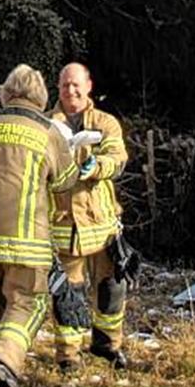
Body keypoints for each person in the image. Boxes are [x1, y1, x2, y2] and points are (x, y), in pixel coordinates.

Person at [0, 64, 77, 387]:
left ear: (6, 93)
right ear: (41, 96)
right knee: (27, 303)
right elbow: (65, 181)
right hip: (26, 239)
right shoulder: (47, 131)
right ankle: (6, 361)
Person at [49, 62, 130, 371]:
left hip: (102, 225)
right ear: (58, 88)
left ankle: (108, 344)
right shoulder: (47, 125)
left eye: (76, 84)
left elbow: (117, 157)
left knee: (111, 287)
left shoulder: (105, 122)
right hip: (64, 225)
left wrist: (97, 167)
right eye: (65, 85)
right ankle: (68, 355)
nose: (71, 90)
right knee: (67, 295)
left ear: (89, 85)